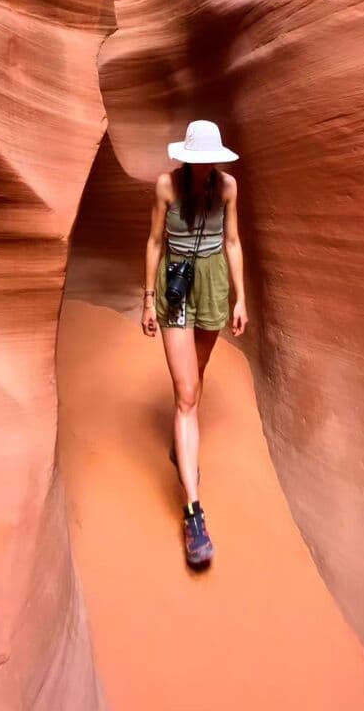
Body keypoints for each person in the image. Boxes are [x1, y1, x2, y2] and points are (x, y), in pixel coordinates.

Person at [142, 119, 248, 566]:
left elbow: (233, 241)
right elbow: (153, 242)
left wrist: (241, 298)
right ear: (186, 158)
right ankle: (193, 512)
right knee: (187, 393)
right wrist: (148, 298)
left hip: (212, 284)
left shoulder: (227, 187)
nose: (206, 169)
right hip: (176, 286)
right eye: (199, 162)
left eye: (211, 162)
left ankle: (181, 442)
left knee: (195, 381)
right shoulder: (167, 186)